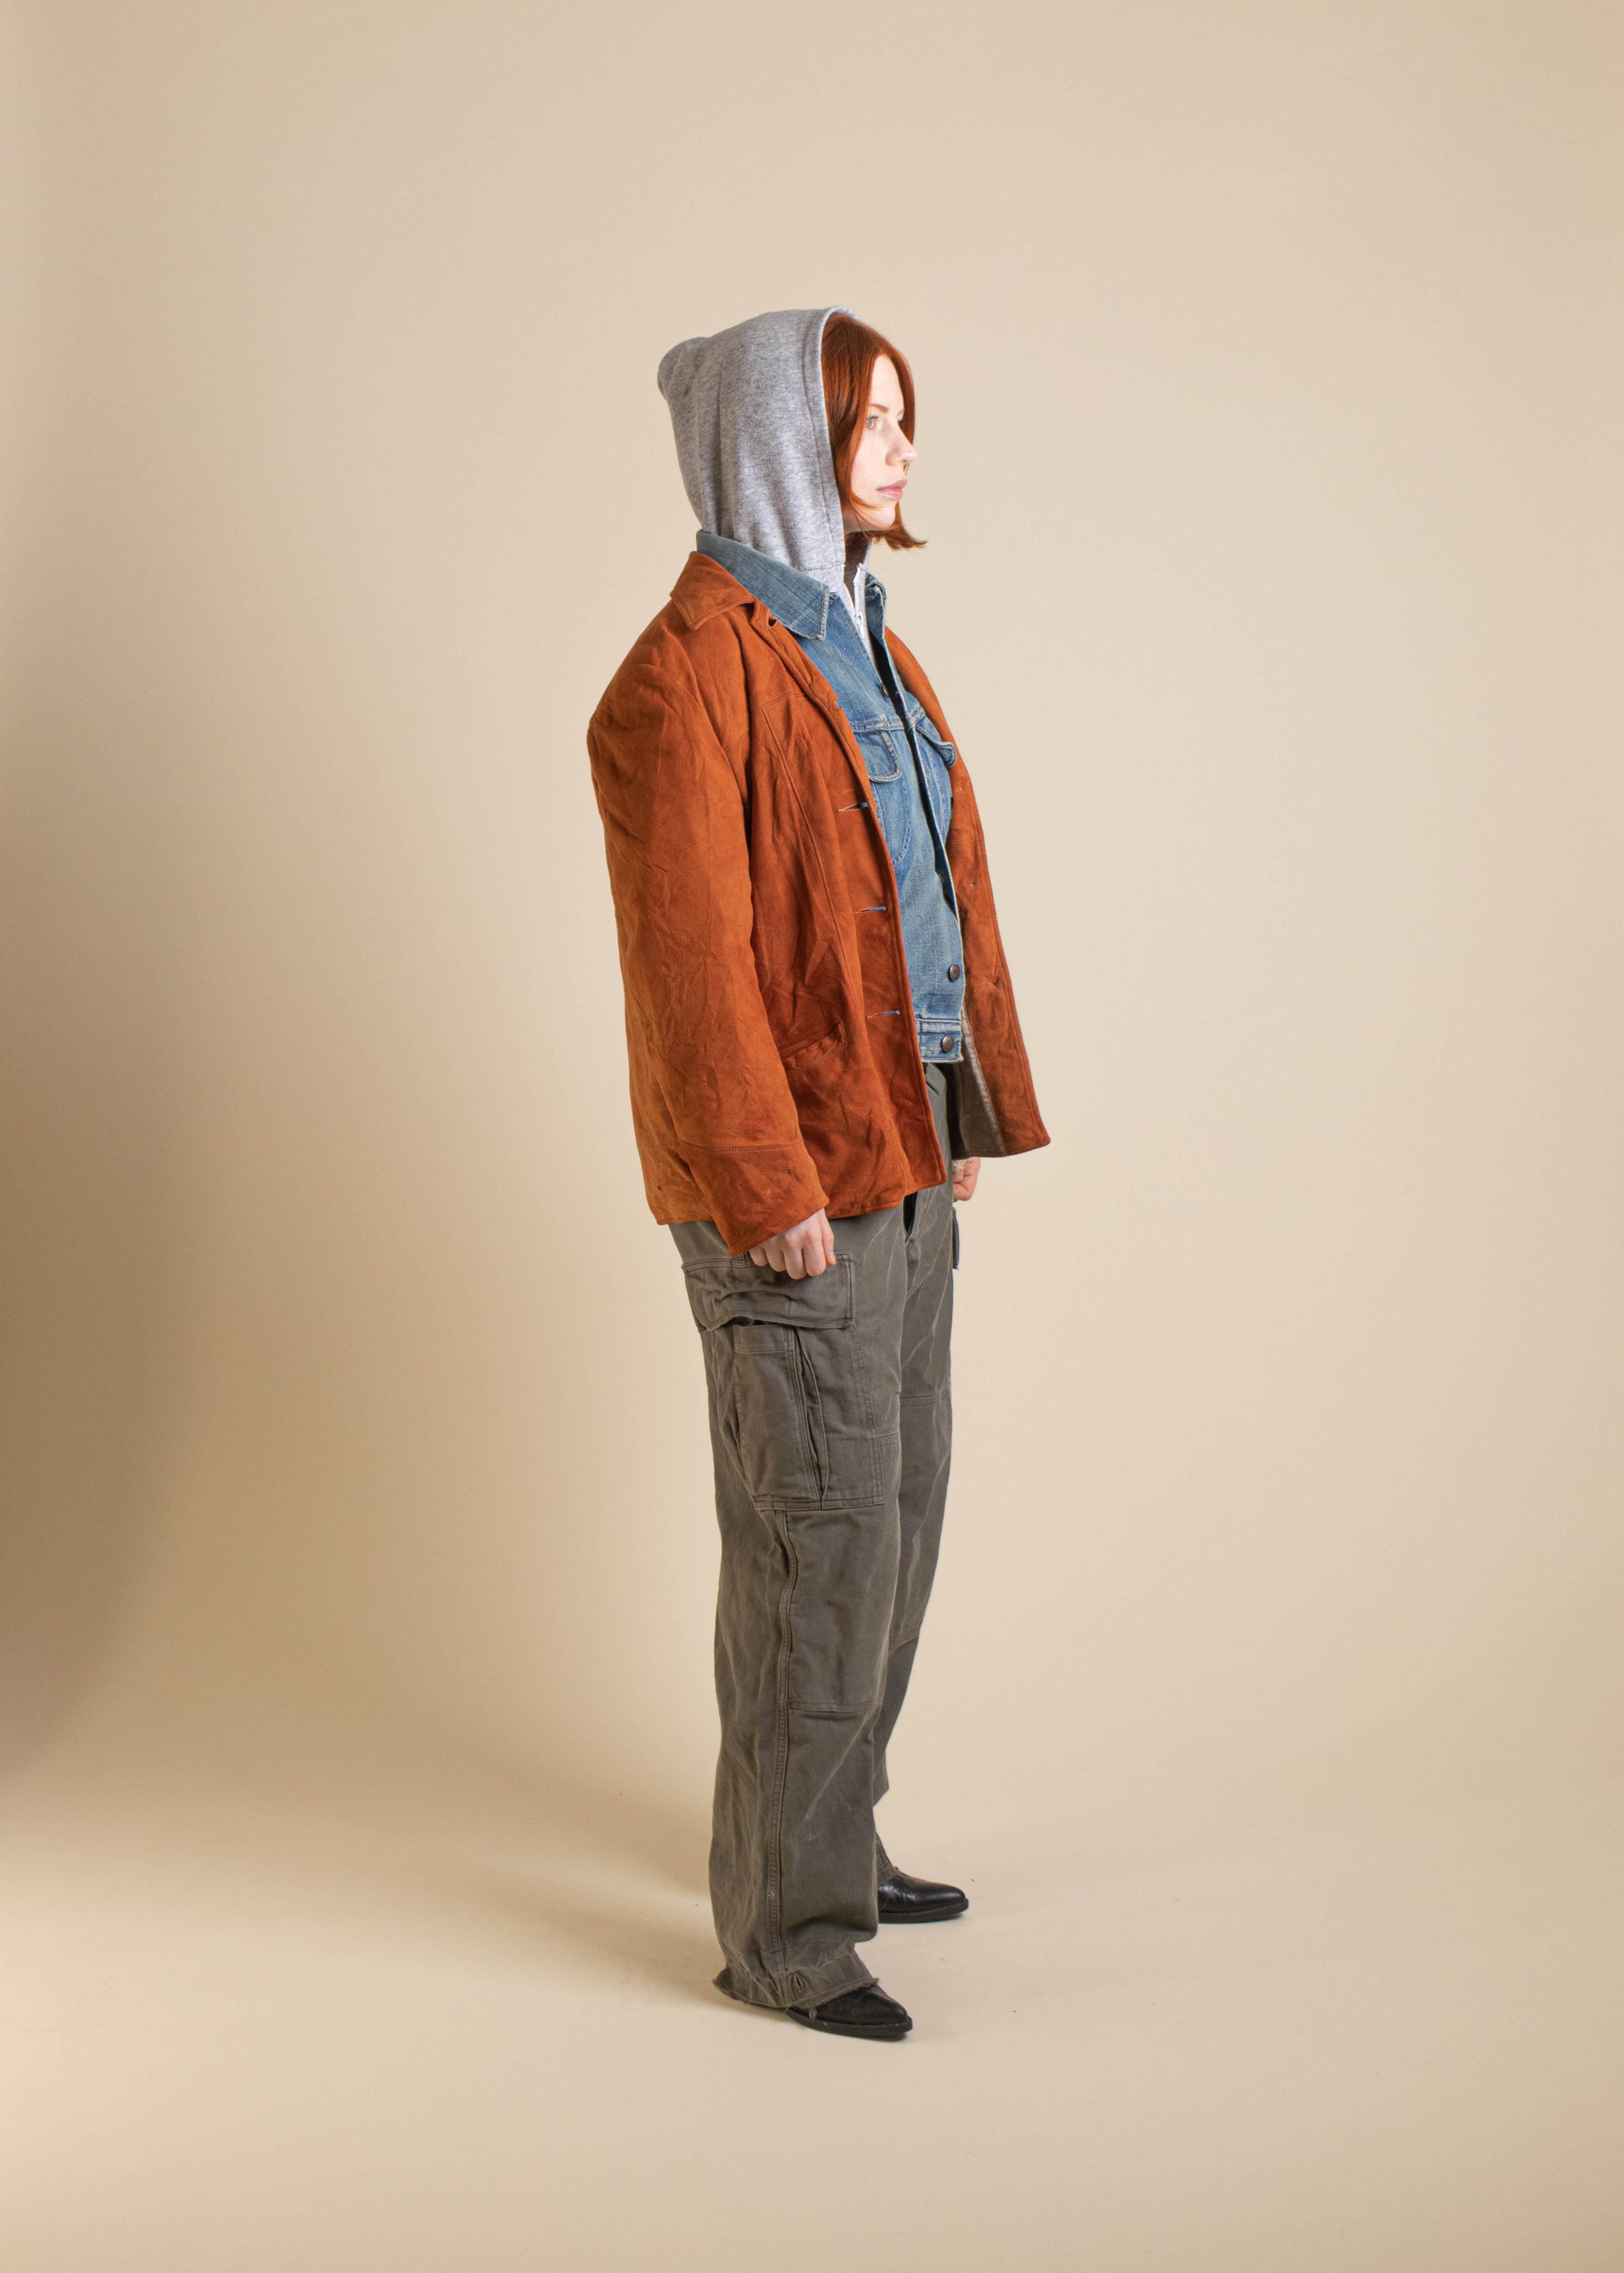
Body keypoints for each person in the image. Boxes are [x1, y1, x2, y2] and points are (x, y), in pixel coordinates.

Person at [588, 307, 1048, 2041]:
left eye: (906, 418)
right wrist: (763, 1183)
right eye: (868, 420)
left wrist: (958, 1110)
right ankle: (784, 1933)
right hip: (791, 1189)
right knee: (819, 1545)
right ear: (775, 438)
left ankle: (833, 1846)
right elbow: (689, 967)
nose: (901, 450)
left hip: (899, 1151)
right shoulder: (682, 676)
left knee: (896, 1521)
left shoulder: (867, 644)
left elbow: (925, 901)